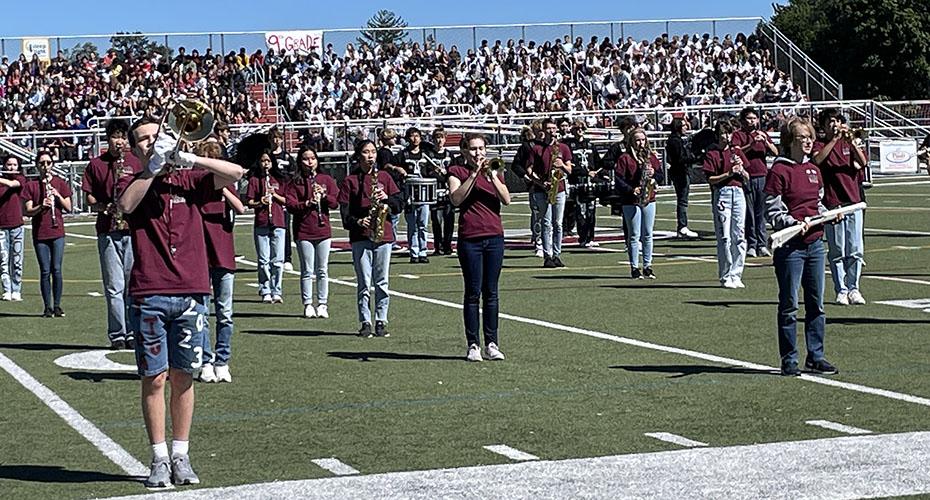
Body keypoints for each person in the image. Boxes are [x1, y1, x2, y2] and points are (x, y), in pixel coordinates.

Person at [117, 116, 245, 487]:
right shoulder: (134, 180)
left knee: (184, 377)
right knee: (154, 378)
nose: (151, 142)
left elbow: (236, 173)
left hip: (191, 290)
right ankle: (158, 457)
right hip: (150, 292)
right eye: (143, 140)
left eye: (156, 136)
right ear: (135, 149)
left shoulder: (190, 180)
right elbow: (126, 205)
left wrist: (191, 159)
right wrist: (152, 169)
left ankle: (181, 453)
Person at [763, 117, 838, 376]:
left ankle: (815, 356)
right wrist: (792, 223)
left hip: (815, 244)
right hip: (790, 247)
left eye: (809, 137)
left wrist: (829, 214)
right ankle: (789, 359)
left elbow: (817, 204)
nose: (808, 142)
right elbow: (772, 210)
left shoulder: (813, 170)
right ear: (789, 141)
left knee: (816, 303)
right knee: (789, 305)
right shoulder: (779, 170)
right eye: (802, 138)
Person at [448, 133, 511, 362]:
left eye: (481, 148)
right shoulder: (457, 171)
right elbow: (456, 199)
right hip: (470, 238)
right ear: (465, 152)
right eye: (473, 149)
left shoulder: (495, 169)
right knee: (473, 292)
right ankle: (473, 344)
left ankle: (492, 343)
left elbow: (506, 199)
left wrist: (492, 176)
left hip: (494, 236)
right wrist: (474, 175)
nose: (478, 153)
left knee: (491, 292)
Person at [81, 119, 142, 349]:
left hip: (132, 229)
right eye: (116, 136)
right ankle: (117, 334)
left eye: (123, 137)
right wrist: (102, 206)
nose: (120, 141)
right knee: (114, 286)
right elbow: (89, 197)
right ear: (108, 139)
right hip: (108, 230)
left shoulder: (136, 161)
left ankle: (133, 331)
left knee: (132, 285)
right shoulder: (96, 164)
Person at [338, 140, 403, 338]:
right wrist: (358, 221)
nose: (370, 156)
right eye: (366, 152)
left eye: (373, 152)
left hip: (383, 235)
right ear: (359, 155)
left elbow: (399, 205)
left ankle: (381, 319)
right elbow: (345, 215)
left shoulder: (385, 176)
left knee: (382, 281)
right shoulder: (350, 180)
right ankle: (365, 321)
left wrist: (386, 198)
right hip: (361, 236)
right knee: (364, 282)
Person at [196, 141, 245, 384]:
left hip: (223, 254)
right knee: (202, 313)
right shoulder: (195, 185)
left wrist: (223, 188)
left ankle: (222, 361)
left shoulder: (226, 184)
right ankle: (206, 361)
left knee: (225, 312)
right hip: (200, 255)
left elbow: (241, 208)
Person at [812, 108, 868, 306]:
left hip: (853, 201)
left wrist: (852, 143)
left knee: (855, 249)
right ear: (823, 125)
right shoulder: (820, 144)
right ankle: (841, 289)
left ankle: (854, 288)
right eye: (829, 121)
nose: (834, 124)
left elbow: (862, 163)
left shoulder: (847, 142)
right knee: (837, 250)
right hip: (832, 203)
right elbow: (817, 160)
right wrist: (834, 140)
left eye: (836, 120)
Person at [285, 145, 338, 319]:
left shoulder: (325, 179)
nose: (310, 162)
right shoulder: (295, 182)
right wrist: (307, 203)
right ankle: (308, 304)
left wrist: (324, 196)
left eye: (313, 159)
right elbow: (290, 205)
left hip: (323, 229)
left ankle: (322, 304)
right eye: (306, 159)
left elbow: (335, 203)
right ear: (300, 161)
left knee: (322, 269)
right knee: (307, 270)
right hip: (304, 230)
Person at [23, 151, 72, 317]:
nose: (45, 166)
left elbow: (69, 207)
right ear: (37, 165)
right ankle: (47, 307)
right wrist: (41, 206)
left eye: (48, 163)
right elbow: (28, 211)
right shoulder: (31, 185)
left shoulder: (60, 182)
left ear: (52, 164)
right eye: (42, 163)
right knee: (45, 271)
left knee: (56, 269)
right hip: (40, 233)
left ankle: (57, 305)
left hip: (57, 231)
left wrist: (57, 195)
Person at [703, 120, 751, 289]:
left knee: (739, 235)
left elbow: (747, 176)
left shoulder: (736, 151)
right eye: (723, 133)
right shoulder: (712, 153)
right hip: (722, 192)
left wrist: (741, 169)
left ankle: (737, 273)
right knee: (725, 237)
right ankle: (725, 274)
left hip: (738, 192)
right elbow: (710, 179)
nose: (727, 136)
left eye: (729, 133)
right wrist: (729, 173)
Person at [615, 128, 663, 279]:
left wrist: (654, 175)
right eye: (637, 140)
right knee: (634, 234)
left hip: (649, 198)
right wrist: (631, 189)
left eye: (642, 140)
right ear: (631, 142)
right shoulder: (625, 158)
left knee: (648, 233)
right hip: (631, 200)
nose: (640, 143)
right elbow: (618, 179)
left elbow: (660, 175)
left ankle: (648, 266)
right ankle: (634, 267)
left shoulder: (650, 156)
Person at [732, 107, 778, 257]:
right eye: (749, 118)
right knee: (749, 212)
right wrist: (751, 144)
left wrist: (766, 142)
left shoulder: (762, 134)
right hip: (747, 176)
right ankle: (751, 243)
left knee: (761, 212)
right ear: (743, 120)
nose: (752, 121)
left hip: (762, 175)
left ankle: (762, 244)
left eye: (754, 118)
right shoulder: (738, 135)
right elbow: (736, 152)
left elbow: (776, 152)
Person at [527, 118, 572, 268]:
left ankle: (557, 254)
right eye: (549, 128)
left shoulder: (563, 148)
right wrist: (540, 182)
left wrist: (562, 165)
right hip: (542, 189)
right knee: (546, 223)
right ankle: (548, 255)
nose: (552, 131)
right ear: (543, 131)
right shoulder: (536, 148)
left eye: (554, 128)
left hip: (559, 189)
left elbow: (569, 169)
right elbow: (529, 169)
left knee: (558, 223)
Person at [246, 150, 286, 304]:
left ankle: (277, 290)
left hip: (278, 222)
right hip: (262, 222)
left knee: (278, 260)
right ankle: (265, 290)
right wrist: (260, 202)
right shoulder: (254, 180)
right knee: (263, 260)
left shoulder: (279, 179)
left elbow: (287, 200)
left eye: (268, 161)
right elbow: (249, 202)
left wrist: (274, 195)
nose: (266, 164)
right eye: (263, 161)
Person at [394, 127, 431, 263]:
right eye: (412, 136)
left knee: (423, 224)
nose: (415, 139)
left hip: (424, 193)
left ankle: (423, 251)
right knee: (412, 224)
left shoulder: (426, 154)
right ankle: (414, 252)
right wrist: (397, 168)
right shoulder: (403, 154)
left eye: (417, 136)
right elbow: (389, 165)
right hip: (409, 193)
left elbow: (431, 171)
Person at [564, 121, 603, 248]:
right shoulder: (568, 145)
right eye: (577, 128)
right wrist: (584, 172)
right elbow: (569, 164)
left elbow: (598, 162)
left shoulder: (590, 145)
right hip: (577, 182)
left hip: (590, 183)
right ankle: (583, 237)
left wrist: (599, 174)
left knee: (591, 210)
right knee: (580, 211)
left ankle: (590, 237)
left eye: (582, 128)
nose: (579, 130)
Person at [665, 118, 700, 238]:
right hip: (680, 172)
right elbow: (680, 159)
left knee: (682, 199)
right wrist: (695, 157)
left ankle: (682, 226)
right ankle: (682, 226)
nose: (686, 127)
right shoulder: (675, 141)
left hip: (679, 171)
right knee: (682, 200)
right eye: (684, 125)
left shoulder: (676, 140)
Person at [269, 126, 296, 271]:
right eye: (273, 138)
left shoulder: (286, 157)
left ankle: (287, 258)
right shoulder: (267, 156)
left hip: (283, 194)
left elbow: (293, 173)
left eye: (278, 138)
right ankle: (271, 256)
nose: (276, 141)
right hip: (269, 194)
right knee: (269, 227)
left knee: (285, 225)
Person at [0, 155, 26, 302]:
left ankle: (16, 289)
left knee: (17, 260)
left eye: (14, 165)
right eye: (9, 165)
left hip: (17, 225)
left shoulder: (20, 179)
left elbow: (12, 185)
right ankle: (6, 289)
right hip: (1, 226)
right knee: (3, 260)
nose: (11, 168)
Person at [426, 128, 454, 256]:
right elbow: (427, 172)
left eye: (441, 137)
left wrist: (447, 175)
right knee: (436, 221)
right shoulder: (429, 155)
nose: (439, 140)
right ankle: (438, 246)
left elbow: (454, 171)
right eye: (437, 137)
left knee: (449, 219)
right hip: (434, 191)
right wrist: (435, 173)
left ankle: (448, 245)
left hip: (447, 191)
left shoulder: (449, 154)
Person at [377, 128, 404, 251]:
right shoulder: (385, 153)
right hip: (388, 185)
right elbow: (386, 166)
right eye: (392, 138)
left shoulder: (386, 152)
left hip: (389, 184)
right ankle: (392, 240)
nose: (395, 139)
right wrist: (396, 169)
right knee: (393, 215)